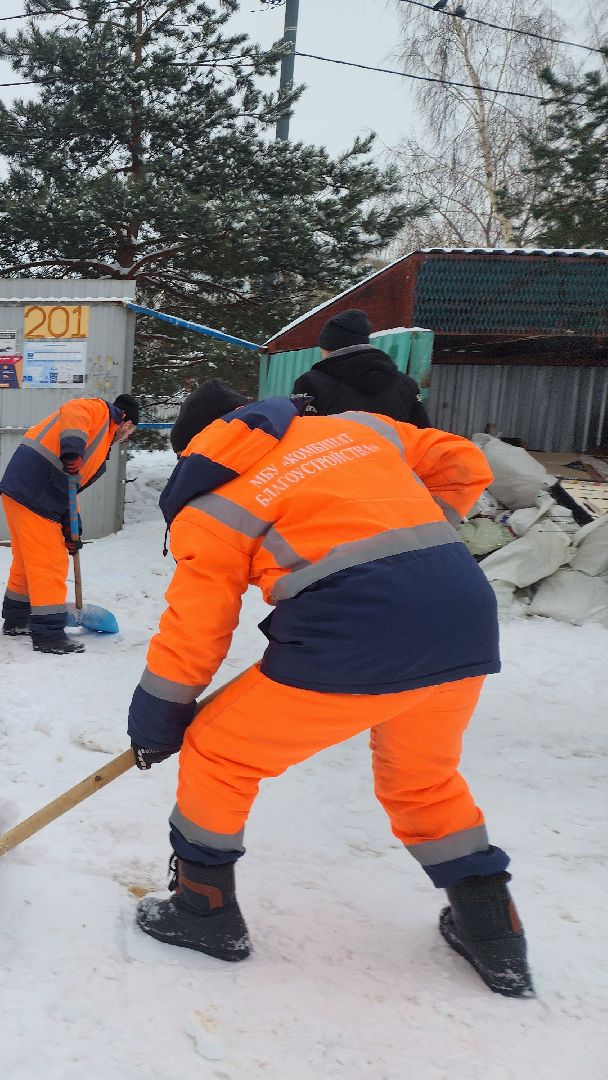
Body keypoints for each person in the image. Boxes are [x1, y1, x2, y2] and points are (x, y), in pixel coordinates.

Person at [126, 379, 532, 998]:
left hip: (351, 638)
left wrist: (159, 716)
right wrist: (418, 544)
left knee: (218, 752)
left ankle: (202, 911)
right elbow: (461, 461)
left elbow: (195, 632)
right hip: (464, 621)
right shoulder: (357, 427)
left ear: (195, 452)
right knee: (424, 780)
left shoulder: (208, 507)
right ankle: (494, 931)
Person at [0, 393, 138, 654]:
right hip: (34, 489)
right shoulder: (99, 411)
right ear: (125, 420)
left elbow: (70, 487)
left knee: (27, 561)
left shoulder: (100, 442)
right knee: (50, 562)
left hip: (27, 489)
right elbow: (74, 410)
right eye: (129, 430)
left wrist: (72, 527)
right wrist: (72, 448)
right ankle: (48, 635)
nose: (126, 437)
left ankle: (17, 620)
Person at [291, 308, 431, 426]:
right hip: (390, 458)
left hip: (334, 458)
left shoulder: (310, 384)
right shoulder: (407, 385)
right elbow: (423, 436)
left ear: (328, 347)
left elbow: (296, 435)